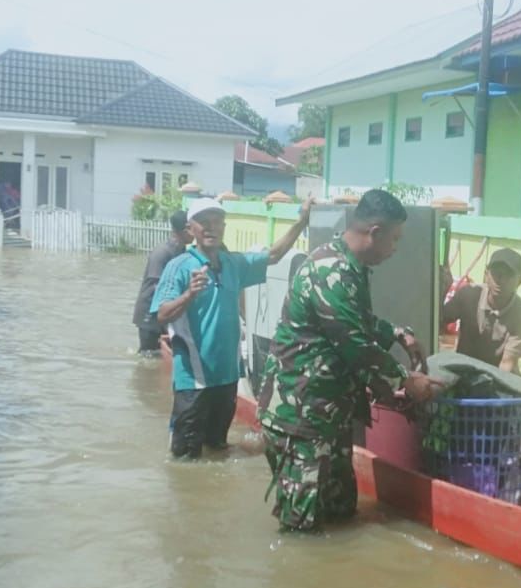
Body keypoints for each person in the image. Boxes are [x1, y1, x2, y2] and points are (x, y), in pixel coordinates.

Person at [258, 188, 442, 532]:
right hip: (300, 416)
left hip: (329, 414)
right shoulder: (332, 271)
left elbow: (357, 320)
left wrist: (397, 333)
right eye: (395, 239)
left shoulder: (349, 267)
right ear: (374, 233)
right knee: (302, 528)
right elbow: (354, 344)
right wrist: (406, 381)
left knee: (343, 513)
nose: (395, 249)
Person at [150, 196, 310, 460]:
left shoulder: (233, 263)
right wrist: (189, 294)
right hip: (194, 380)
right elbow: (161, 314)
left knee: (217, 449)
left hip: (227, 377)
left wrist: (301, 220)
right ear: (191, 229)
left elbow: (273, 254)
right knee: (184, 458)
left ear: (224, 227)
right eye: (204, 223)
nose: (211, 227)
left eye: (217, 222)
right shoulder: (179, 266)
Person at [440, 247, 521, 374]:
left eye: (509, 275)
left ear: (520, 282)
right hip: (462, 369)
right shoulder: (468, 295)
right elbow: (436, 322)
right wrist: (441, 291)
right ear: (486, 274)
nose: (500, 279)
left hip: (499, 375)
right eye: (496, 272)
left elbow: (508, 363)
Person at [133, 210, 191, 357]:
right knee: (148, 357)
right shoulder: (163, 253)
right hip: (150, 315)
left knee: (162, 356)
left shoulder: (181, 251)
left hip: (165, 313)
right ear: (186, 230)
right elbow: (155, 286)